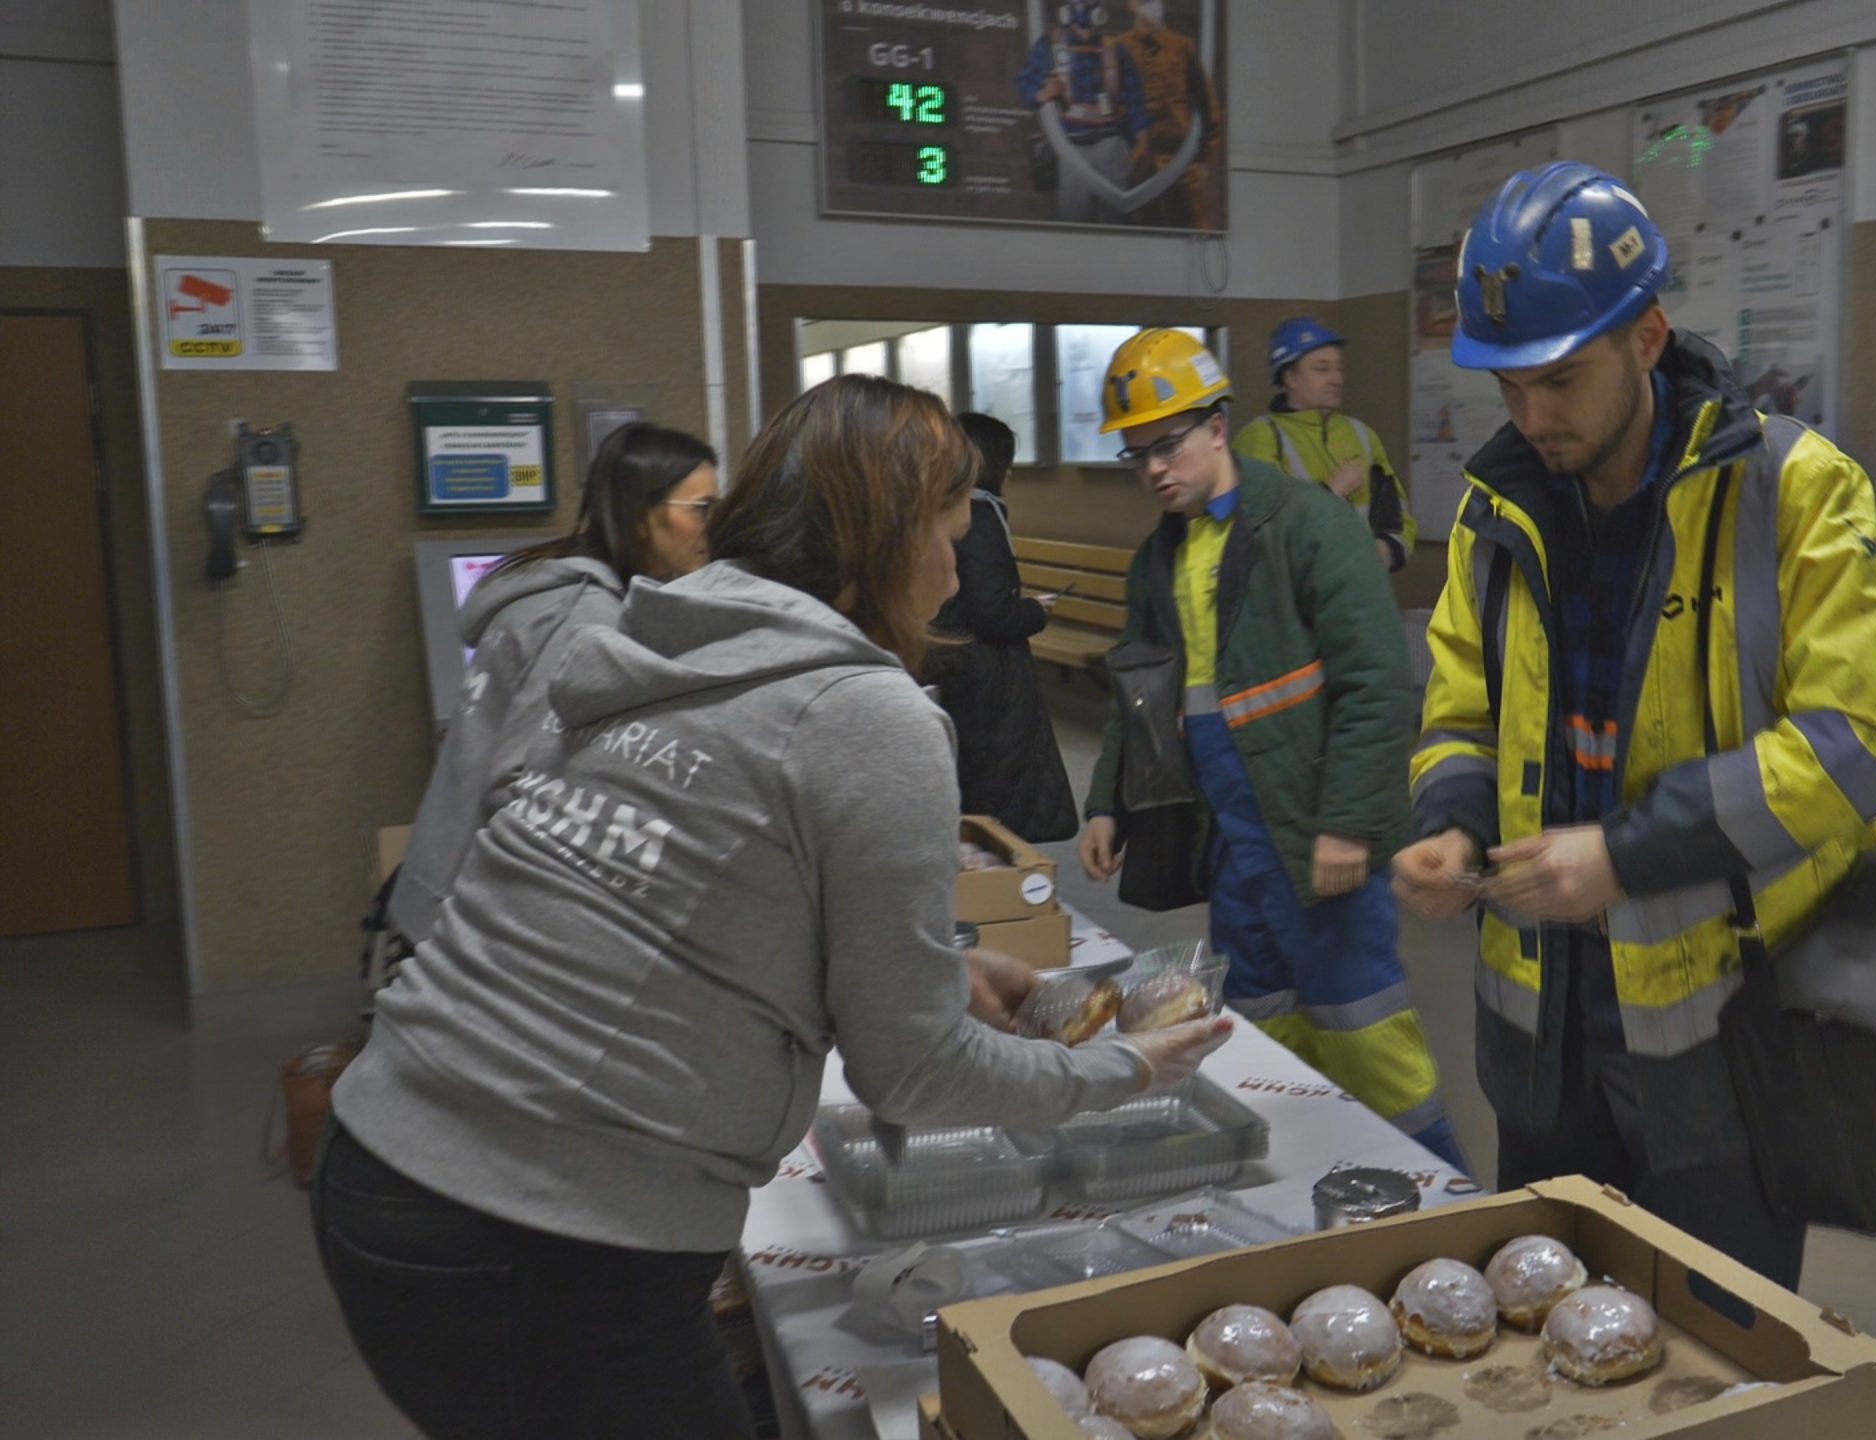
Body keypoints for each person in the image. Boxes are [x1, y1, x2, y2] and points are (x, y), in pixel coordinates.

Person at [316, 376, 1231, 1440]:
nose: (954, 563)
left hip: (388, 1162)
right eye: (947, 529)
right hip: (537, 1222)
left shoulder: (652, 633)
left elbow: (675, 890)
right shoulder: (865, 712)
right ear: (886, 539)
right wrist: (1120, 1071)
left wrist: (942, 970)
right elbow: (916, 1073)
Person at [1390, 163, 1876, 1290]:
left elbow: (1867, 737)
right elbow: (1458, 710)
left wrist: (1629, 853)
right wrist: (1451, 819)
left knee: (1712, 1352)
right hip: (1543, 1039)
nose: (1534, 418)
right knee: (1540, 1331)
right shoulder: (1497, 514)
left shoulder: (1793, 491)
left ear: (1646, 337)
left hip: (1721, 1044)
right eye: (1509, 389)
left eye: (1561, 380)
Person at [1075, 328, 1464, 1168]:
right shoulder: (1157, 561)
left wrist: (1349, 825)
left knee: (1363, 1026)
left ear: (1218, 426)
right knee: (1260, 1023)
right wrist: (1108, 802)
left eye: (1167, 444)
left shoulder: (1313, 528)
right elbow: (1139, 695)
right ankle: (1305, 1184)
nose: (1152, 469)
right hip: (1231, 842)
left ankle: (1442, 1194)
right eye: (1135, 454)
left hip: (1310, 824)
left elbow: (1377, 685)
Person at [385, 421, 718, 948]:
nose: (711, 530)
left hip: (437, 883)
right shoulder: (587, 618)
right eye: (700, 510)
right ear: (640, 517)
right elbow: (519, 782)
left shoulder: (548, 584)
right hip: (471, 916)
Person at [928, 412, 1080, 841]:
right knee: (997, 793)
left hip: (957, 665)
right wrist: (1033, 611)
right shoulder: (979, 514)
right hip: (987, 678)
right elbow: (990, 611)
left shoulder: (942, 509)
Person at [1233, 318, 1418, 570]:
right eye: (1322, 369)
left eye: (1339, 369)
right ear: (1290, 378)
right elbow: (1256, 531)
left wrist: (1386, 551)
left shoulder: (1361, 434)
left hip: (1360, 593)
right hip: (1297, 602)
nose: (1336, 379)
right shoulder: (1260, 438)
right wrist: (1327, 493)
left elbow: (1397, 518)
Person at [1017, 0, 1149, 225]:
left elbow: (1135, 97)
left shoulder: (1116, 50)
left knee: (1115, 220)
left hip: (1111, 143)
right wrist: (1044, 93)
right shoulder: (1049, 46)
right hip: (1071, 147)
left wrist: (1142, 140)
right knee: (1074, 218)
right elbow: (1025, 84)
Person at [1115, 0, 1221, 229]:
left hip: (1180, 165)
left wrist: (1202, 162)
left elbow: (1207, 108)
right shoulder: (1117, 49)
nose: (1154, 7)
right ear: (1132, 5)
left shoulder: (1182, 47)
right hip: (1135, 169)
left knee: (1193, 232)